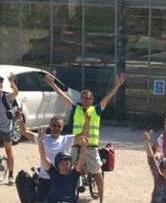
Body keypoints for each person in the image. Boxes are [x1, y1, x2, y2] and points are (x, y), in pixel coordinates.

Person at [46, 72, 127, 201]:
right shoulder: (76, 109)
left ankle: (101, 198)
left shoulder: (96, 110)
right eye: (83, 97)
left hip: (90, 146)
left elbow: (108, 97)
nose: (85, 100)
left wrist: (117, 85)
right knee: (67, 168)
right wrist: (53, 85)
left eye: (88, 98)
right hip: (75, 145)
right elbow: (63, 96)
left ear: (92, 100)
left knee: (97, 171)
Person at [19, 117, 78, 203]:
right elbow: (24, 132)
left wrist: (87, 120)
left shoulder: (66, 139)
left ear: (62, 128)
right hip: (45, 178)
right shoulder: (43, 138)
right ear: (50, 126)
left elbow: (84, 135)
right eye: (54, 125)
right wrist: (20, 121)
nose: (56, 128)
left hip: (60, 180)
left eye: (59, 126)